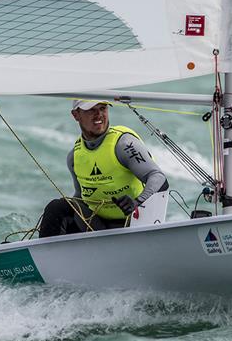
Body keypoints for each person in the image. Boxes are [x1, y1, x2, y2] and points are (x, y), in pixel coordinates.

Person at [38, 99, 168, 237]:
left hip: (135, 224)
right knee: (57, 208)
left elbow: (158, 177)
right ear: (76, 115)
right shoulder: (74, 157)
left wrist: (137, 202)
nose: (99, 114)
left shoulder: (124, 145)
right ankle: (42, 254)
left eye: (103, 108)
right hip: (98, 227)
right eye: (91, 110)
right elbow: (80, 198)